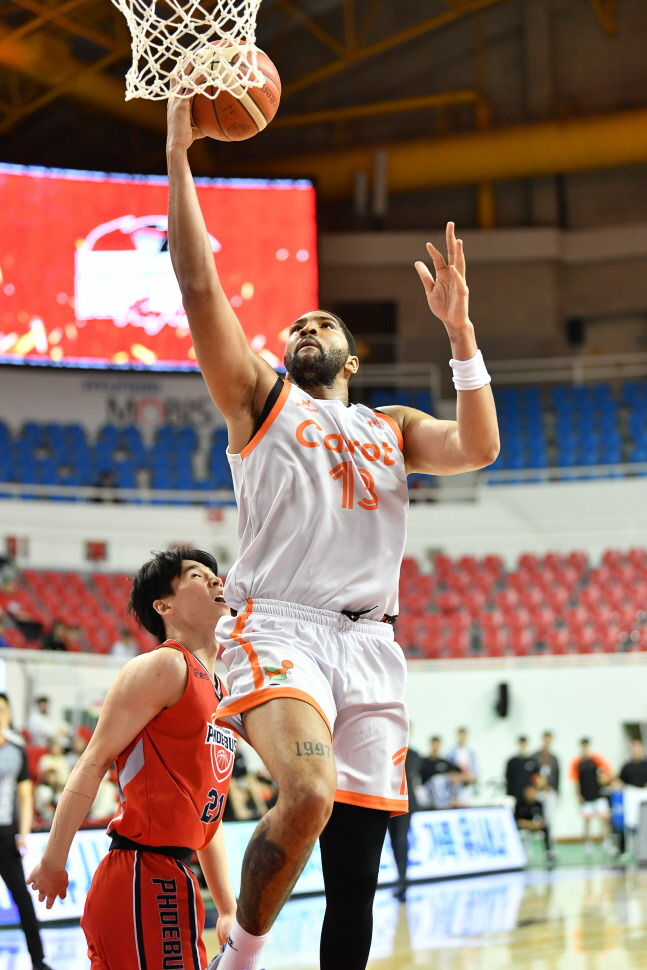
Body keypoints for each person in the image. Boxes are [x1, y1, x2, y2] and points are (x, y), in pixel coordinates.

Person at [166, 87, 499, 970]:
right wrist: (177, 155)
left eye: (323, 324)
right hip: (278, 624)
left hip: (372, 646)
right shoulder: (260, 399)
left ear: (350, 359)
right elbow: (199, 286)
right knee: (306, 793)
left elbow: (476, 446)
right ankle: (238, 959)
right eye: (295, 325)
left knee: (357, 872)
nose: (304, 326)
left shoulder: (389, 425)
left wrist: (461, 338)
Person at [27, 546, 239, 970]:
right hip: (141, 871)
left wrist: (228, 907)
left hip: (174, 874)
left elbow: (204, 815)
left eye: (214, 573)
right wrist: (53, 858)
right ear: (165, 606)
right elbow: (92, 762)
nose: (217, 579)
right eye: (196, 576)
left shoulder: (221, 687)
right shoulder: (163, 666)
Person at [0, 692, 54, 970]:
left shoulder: (16, 751)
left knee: (22, 899)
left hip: (5, 836)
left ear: (8, 715)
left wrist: (23, 833)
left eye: (2, 711)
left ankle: (39, 961)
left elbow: (24, 797)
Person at [569, 737, 615, 858]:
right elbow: (575, 781)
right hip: (586, 797)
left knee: (604, 821)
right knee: (587, 821)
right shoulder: (577, 762)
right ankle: (588, 847)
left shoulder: (595, 759)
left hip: (598, 795)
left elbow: (608, 771)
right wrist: (578, 795)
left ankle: (607, 844)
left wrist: (605, 780)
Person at [415, 735, 471, 810]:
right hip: (428, 794)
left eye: (437, 745)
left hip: (441, 795)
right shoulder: (423, 762)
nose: (435, 747)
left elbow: (458, 771)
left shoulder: (444, 762)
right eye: (433, 744)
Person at [514, 782, 556, 865]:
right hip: (523, 826)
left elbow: (541, 819)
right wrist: (529, 824)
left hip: (534, 826)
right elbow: (518, 821)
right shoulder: (520, 804)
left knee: (546, 828)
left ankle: (548, 851)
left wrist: (537, 825)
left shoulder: (538, 804)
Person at [532, 730, 560, 830]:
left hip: (550, 790)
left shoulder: (553, 758)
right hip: (537, 790)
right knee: (536, 813)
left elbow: (557, 776)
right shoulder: (535, 756)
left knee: (550, 815)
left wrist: (557, 792)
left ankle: (548, 835)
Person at [447, 726, 479, 805]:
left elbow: (476, 773)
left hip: (468, 787)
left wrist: (470, 777)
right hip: (455, 788)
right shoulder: (451, 752)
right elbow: (449, 770)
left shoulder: (471, 753)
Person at [505, 736, 539, 804]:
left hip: (527, 797)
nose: (522, 746)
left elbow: (536, 778)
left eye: (524, 744)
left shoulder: (532, 762)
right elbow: (508, 778)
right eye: (521, 744)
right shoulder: (512, 762)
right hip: (514, 794)